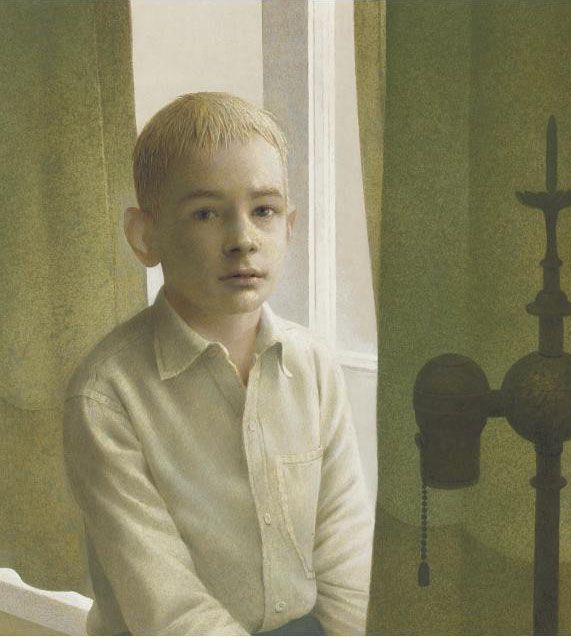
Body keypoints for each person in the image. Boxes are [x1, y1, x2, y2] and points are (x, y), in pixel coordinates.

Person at [62, 92, 373, 636]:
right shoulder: (106, 396)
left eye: (263, 211)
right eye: (206, 213)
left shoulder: (313, 367)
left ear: (289, 227)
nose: (243, 240)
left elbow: (347, 558)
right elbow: (168, 609)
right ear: (145, 236)